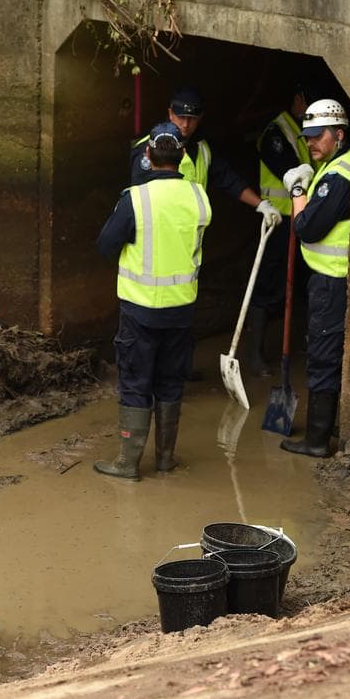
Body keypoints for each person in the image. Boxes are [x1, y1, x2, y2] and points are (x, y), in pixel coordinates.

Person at [95, 122, 217, 480]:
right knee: (170, 380)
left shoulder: (135, 199)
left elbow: (105, 245)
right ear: (182, 157)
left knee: (135, 381)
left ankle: (128, 463)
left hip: (140, 308)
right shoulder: (199, 197)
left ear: (147, 156)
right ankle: (165, 458)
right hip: (181, 309)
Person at [278, 99, 350, 458]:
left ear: (338, 134)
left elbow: (305, 228)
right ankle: (328, 428)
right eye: (306, 137)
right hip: (335, 281)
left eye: (317, 136)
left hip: (331, 283)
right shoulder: (342, 164)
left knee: (323, 355)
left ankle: (317, 441)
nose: (310, 143)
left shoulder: (337, 178)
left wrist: (297, 191)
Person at [245, 82, 321, 377]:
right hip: (278, 223)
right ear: (297, 100)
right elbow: (290, 171)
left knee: (305, 283)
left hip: (304, 222)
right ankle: (254, 355)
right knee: (268, 284)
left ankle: (303, 345)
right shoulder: (276, 132)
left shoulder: (305, 133)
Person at [129, 86, 281, 230]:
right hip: (161, 233)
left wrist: (261, 205)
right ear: (170, 113)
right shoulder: (149, 147)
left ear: (201, 118)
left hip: (191, 237)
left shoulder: (203, 149)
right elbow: (138, 199)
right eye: (181, 117)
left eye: (191, 118)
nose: (185, 124)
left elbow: (229, 180)